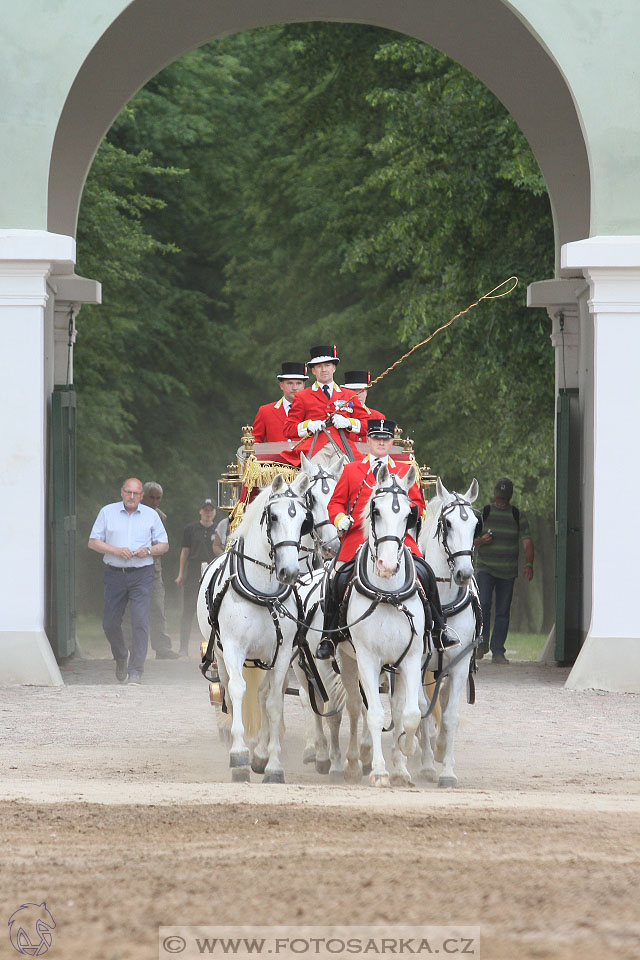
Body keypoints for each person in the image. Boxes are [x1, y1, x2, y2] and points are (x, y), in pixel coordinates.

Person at [315, 418, 449, 660]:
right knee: (336, 578)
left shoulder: (404, 471)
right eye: (376, 439)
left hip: (396, 538)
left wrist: (409, 516)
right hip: (357, 536)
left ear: (391, 442)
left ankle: (439, 629)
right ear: (368, 441)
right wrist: (340, 519)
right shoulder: (352, 470)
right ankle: (329, 636)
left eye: (385, 439)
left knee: (426, 572)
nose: (381, 443)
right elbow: (334, 503)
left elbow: (418, 504)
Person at [88, 477, 169, 684]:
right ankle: (121, 655)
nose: (132, 497)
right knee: (110, 622)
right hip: (115, 573)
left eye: (136, 493)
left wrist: (148, 550)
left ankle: (136, 670)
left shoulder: (151, 515)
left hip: (142, 574)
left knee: (140, 621)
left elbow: (164, 545)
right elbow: (93, 542)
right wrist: (115, 550)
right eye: (128, 492)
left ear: (142, 496)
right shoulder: (107, 512)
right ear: (122, 492)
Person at [474, 477, 534, 664]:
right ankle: (481, 644)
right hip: (485, 568)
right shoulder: (483, 514)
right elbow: (468, 541)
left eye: (504, 499)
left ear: (509, 498)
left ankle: (498, 651)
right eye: (499, 498)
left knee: (502, 611)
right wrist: (480, 541)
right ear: (494, 495)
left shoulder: (517, 515)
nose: (500, 502)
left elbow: (527, 542)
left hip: (507, 572)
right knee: (482, 604)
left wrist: (529, 564)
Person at [282, 345, 368, 466]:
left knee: (350, 475)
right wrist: (308, 425)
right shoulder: (302, 396)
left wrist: (348, 422)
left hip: (342, 447)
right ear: (313, 370)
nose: (324, 370)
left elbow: (367, 425)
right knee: (316, 476)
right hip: (315, 448)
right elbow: (288, 429)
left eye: (327, 365)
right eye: (319, 366)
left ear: (334, 368)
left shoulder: (348, 395)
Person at [141, 481, 179, 659]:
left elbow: (163, 542)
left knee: (157, 607)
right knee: (128, 611)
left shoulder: (160, 517)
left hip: (154, 568)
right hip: (133, 567)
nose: (155, 501)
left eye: (158, 498)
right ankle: (125, 648)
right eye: (152, 497)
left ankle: (162, 648)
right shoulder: (132, 513)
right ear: (143, 496)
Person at [175, 498, 217, 656]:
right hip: (193, 570)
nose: (208, 513)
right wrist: (180, 574)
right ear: (200, 511)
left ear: (214, 512)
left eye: (211, 510)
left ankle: (211, 648)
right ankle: (183, 648)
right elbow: (185, 552)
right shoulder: (190, 529)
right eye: (205, 510)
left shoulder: (218, 530)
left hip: (212, 571)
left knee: (211, 610)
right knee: (188, 609)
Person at [252, 361, 308, 442]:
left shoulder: (312, 410)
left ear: (304, 386)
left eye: (298, 383)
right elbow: (254, 441)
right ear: (281, 385)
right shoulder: (265, 411)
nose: (294, 388)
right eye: (290, 383)